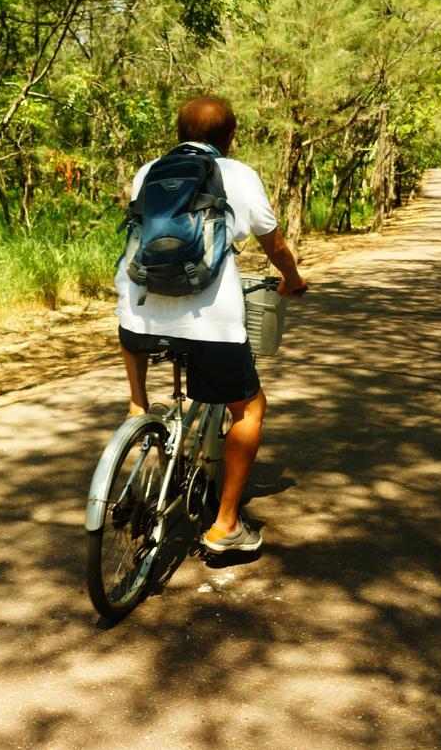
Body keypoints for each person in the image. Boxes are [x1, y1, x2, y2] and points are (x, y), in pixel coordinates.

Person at [115, 96, 306, 554]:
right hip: (209, 322)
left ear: (179, 133)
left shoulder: (149, 171)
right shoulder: (238, 175)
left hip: (136, 311)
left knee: (144, 348)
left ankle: (138, 405)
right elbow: (273, 243)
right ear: (229, 137)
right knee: (250, 408)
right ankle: (224, 526)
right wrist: (292, 279)